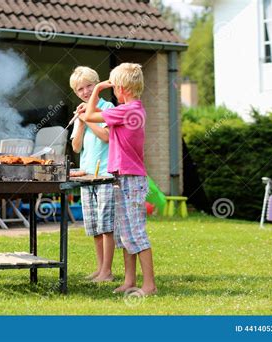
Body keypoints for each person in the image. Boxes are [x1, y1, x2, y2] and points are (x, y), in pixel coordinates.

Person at [80, 63, 157, 295]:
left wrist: (96, 90)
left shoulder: (126, 110)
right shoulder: (132, 109)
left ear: (121, 88)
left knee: (136, 232)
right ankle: (129, 281)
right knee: (124, 234)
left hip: (130, 179)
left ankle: (149, 285)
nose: (111, 91)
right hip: (123, 178)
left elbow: (91, 115)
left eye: (113, 86)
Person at [69, 66, 116, 282]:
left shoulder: (108, 108)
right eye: (80, 89)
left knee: (106, 226)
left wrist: (87, 118)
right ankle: (100, 269)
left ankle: (107, 271)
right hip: (87, 174)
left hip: (105, 173)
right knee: (95, 226)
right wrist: (80, 122)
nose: (86, 92)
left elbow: (106, 136)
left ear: (97, 85)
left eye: (89, 86)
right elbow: (76, 147)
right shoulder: (81, 113)